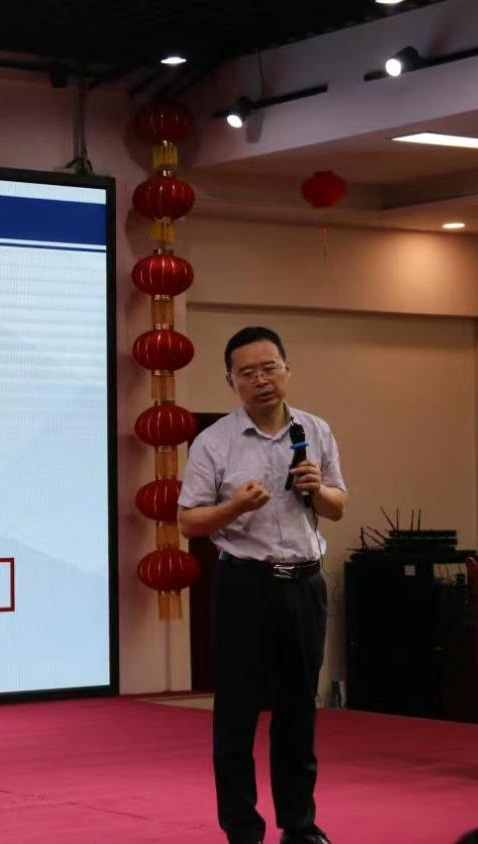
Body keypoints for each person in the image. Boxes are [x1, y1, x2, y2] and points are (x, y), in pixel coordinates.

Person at [178, 326, 348, 844]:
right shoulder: (214, 442)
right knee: (237, 713)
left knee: (298, 712)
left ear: (287, 370)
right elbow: (188, 522)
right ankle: (242, 830)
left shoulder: (315, 430)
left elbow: (338, 506)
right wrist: (234, 507)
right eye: (247, 372)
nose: (261, 380)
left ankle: (300, 826)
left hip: (304, 584)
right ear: (231, 382)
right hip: (244, 587)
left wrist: (319, 490)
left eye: (269, 367)